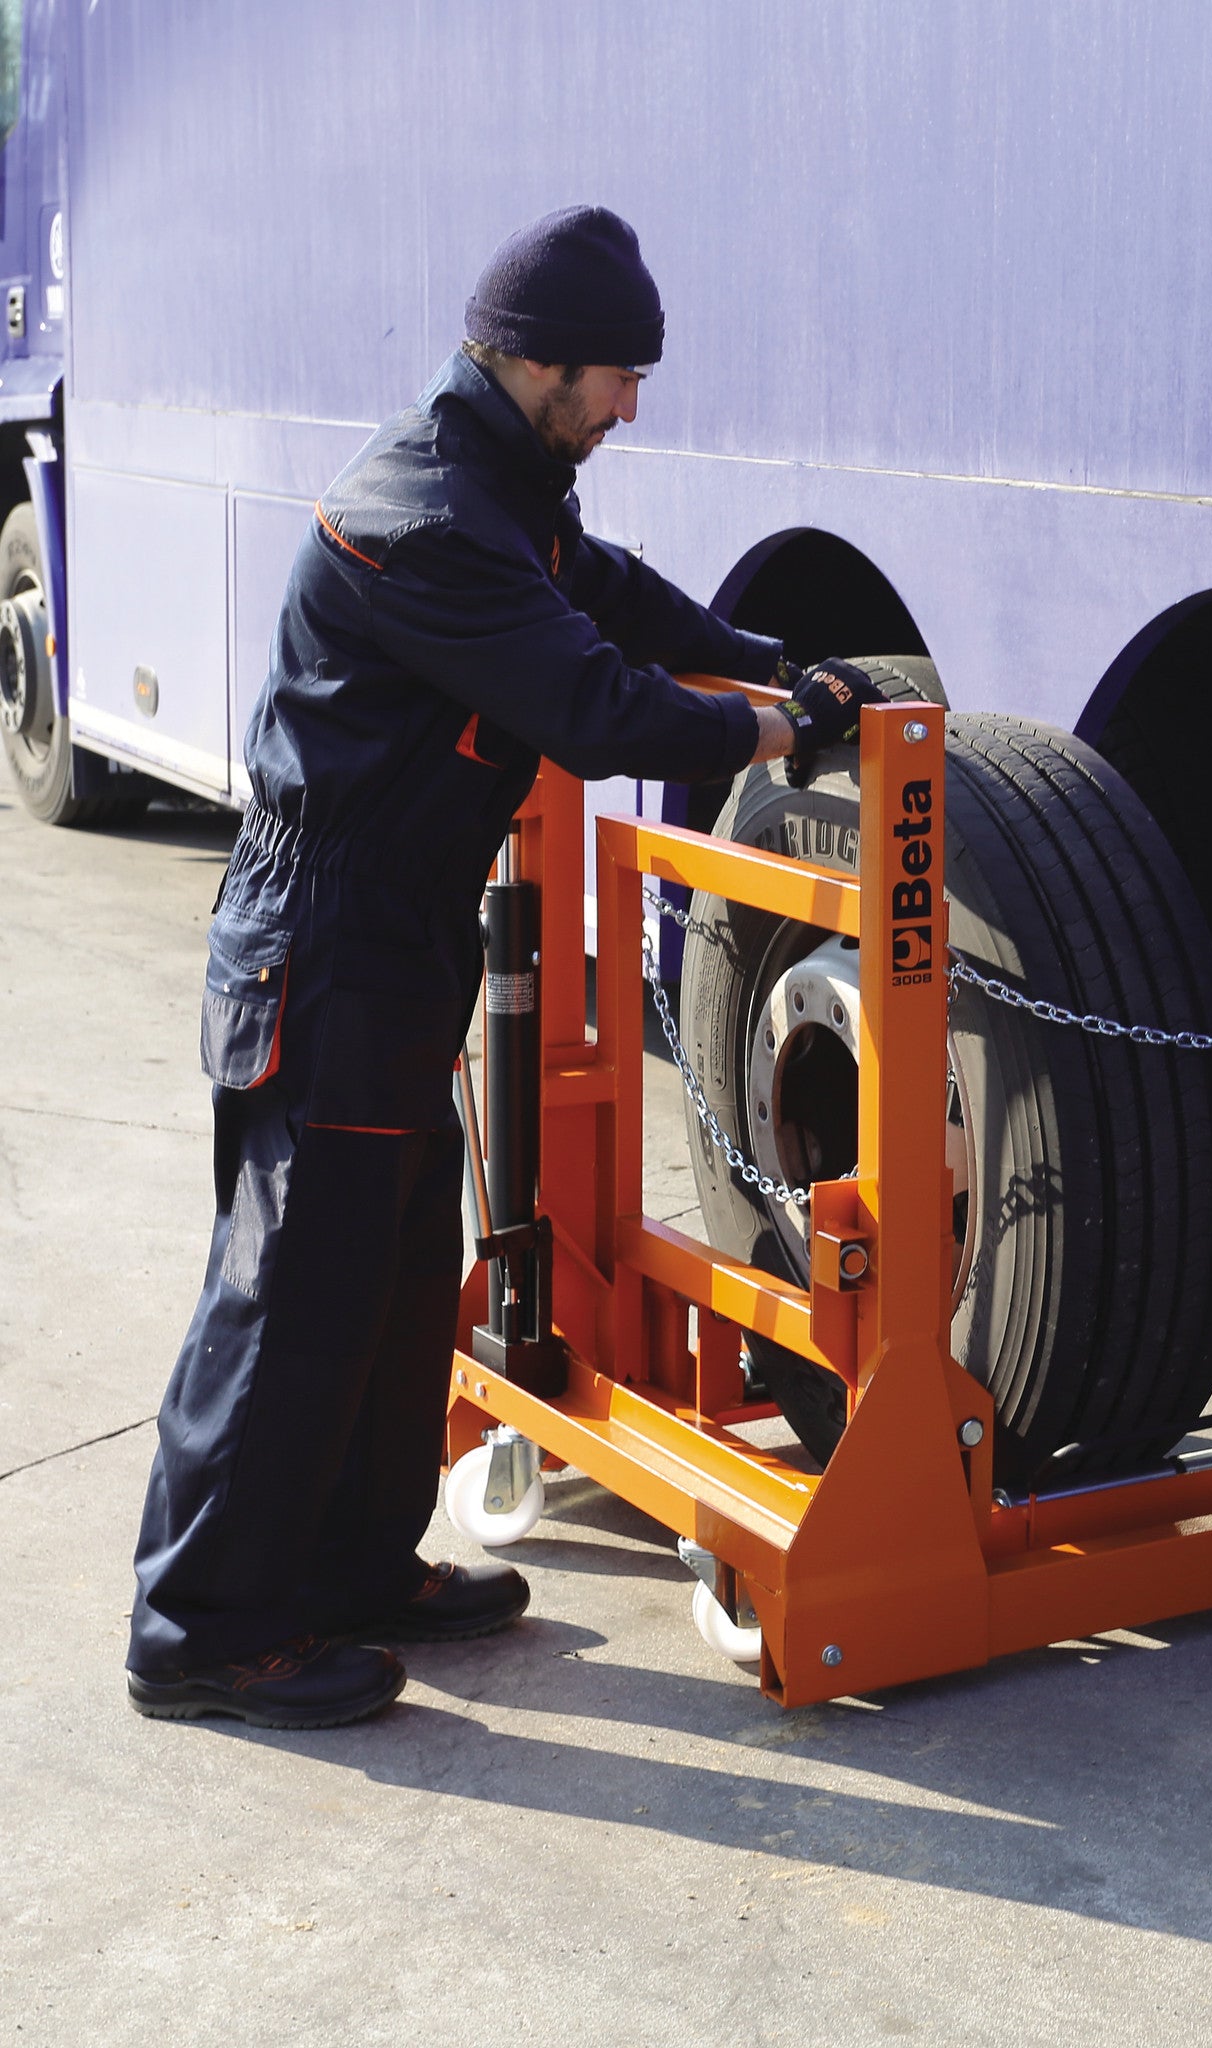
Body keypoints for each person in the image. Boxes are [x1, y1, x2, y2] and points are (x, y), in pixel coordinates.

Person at [126, 205, 883, 1730]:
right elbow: (597, 707)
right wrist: (777, 731)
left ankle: (345, 1567)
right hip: (325, 946)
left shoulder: (508, 483)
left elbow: (613, 600)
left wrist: (762, 658)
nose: (630, 406)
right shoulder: (425, 518)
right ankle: (201, 1629)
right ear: (537, 363)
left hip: (399, 940)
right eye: (616, 377)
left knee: (403, 1277)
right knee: (291, 1293)